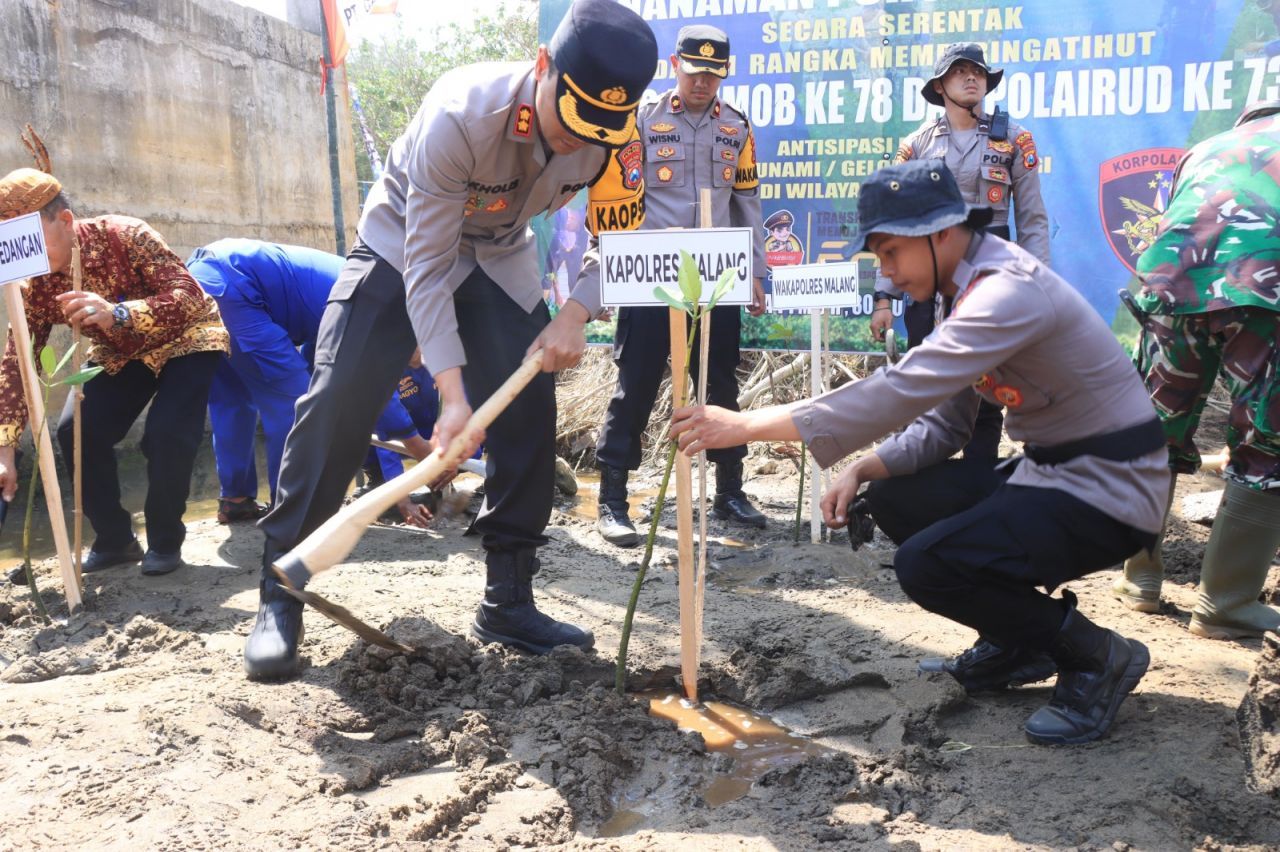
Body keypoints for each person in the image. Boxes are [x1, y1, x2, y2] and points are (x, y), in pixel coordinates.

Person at [670, 160, 1170, 745]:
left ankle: (1094, 654)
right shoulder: (967, 291)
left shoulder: (1006, 293)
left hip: (1112, 491)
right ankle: (1019, 644)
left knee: (926, 565)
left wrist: (746, 424)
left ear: (940, 233)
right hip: (1054, 475)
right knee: (898, 498)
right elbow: (944, 427)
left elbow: (898, 388)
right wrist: (861, 466)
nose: (886, 274)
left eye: (889, 254)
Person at [243, 0, 658, 681]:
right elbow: (429, 267)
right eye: (568, 116)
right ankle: (279, 596)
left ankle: (508, 600)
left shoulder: (618, 135)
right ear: (543, 66)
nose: (574, 143)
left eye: (597, 131)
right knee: (339, 398)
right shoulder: (463, 113)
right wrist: (453, 395)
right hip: (402, 246)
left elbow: (622, 238)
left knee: (527, 408)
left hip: (500, 253)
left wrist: (578, 309)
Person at [0, 166, 227, 576]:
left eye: (31, 239)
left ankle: (164, 541)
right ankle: (116, 541)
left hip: (187, 337)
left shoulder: (126, 234)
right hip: (121, 352)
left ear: (65, 221)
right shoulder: (31, 286)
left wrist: (118, 312)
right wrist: (5, 448)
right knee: (76, 430)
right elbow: (17, 361)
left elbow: (189, 296)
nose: (28, 256)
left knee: (167, 432)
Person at [593, 24, 768, 547]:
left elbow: (748, 204)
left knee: (720, 387)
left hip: (716, 277)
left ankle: (730, 490)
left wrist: (757, 270)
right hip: (653, 277)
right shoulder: (644, 121)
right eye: (695, 73)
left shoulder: (736, 128)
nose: (703, 84)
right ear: (675, 65)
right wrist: (602, 265)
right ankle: (612, 499)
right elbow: (615, 198)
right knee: (636, 384)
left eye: (714, 76)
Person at [1113, 99, 1280, 639]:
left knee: (1156, 434)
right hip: (1262, 288)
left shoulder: (1203, 149)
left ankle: (1139, 579)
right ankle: (1224, 604)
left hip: (1171, 286)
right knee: (1265, 446)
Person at [870, 42, 1051, 462]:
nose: (972, 78)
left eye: (979, 72)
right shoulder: (915, 146)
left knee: (989, 386)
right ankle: (918, 488)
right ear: (940, 86)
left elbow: (1034, 221)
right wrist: (883, 296)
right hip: (927, 281)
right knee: (924, 383)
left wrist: (1038, 286)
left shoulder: (1015, 141)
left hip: (991, 279)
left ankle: (979, 482)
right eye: (960, 71)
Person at [187, 238, 435, 528]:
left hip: (204, 280)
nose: (411, 363)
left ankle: (236, 501)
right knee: (297, 403)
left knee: (232, 397)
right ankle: (292, 506)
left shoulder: (361, 289)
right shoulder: (381, 308)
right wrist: (416, 446)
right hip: (235, 289)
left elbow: (321, 365)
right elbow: (373, 389)